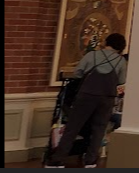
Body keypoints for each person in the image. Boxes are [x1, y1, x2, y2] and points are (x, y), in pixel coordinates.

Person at [46, 33, 128, 169]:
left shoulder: (92, 55)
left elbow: (78, 72)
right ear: (121, 46)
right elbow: (121, 80)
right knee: (99, 130)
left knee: (73, 127)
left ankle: (57, 160)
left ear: (106, 42)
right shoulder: (121, 61)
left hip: (87, 95)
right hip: (106, 98)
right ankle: (90, 161)